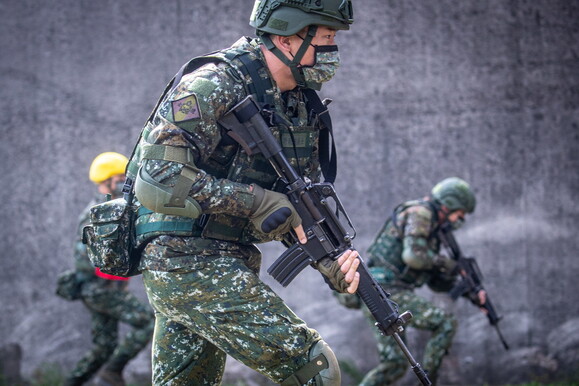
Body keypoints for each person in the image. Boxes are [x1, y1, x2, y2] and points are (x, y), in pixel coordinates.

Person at [123, 0, 361, 384]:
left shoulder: (300, 104)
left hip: (228, 258)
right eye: (327, 37)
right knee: (312, 365)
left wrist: (329, 259)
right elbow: (157, 179)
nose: (333, 51)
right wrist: (256, 201)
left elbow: (297, 207)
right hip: (183, 260)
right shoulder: (212, 83)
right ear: (288, 38)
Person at [338, 177, 485, 385]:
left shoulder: (433, 227)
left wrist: (467, 290)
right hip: (385, 290)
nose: (459, 220)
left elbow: (434, 281)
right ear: (449, 204)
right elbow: (414, 257)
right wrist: (449, 265)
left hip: (382, 291)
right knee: (445, 323)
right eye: (459, 214)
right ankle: (427, 382)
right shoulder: (421, 213)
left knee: (395, 365)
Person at [64, 152, 154, 386]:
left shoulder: (114, 208)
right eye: (119, 177)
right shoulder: (97, 213)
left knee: (104, 346)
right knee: (147, 322)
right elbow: (83, 258)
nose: (125, 180)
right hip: (100, 289)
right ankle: (112, 372)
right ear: (105, 181)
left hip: (104, 288)